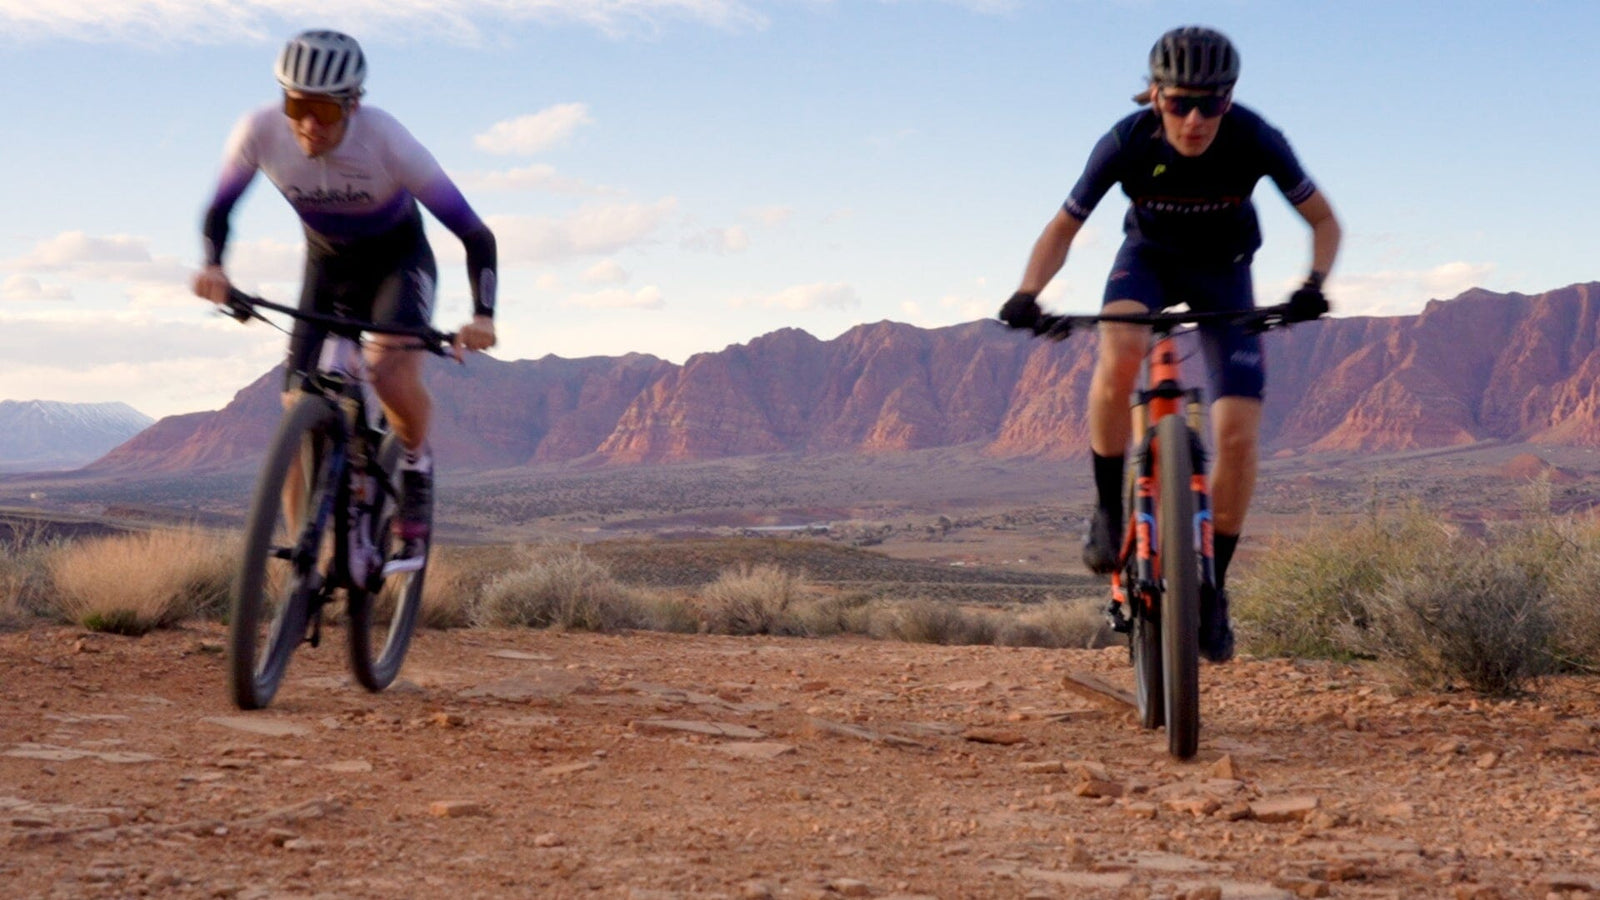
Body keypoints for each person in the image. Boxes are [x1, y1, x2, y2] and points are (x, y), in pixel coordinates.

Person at [998, 25, 1341, 662]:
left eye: (1211, 103)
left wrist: (1312, 284)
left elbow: (1323, 219)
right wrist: (1028, 291)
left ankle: (1212, 589)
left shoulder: (1255, 138)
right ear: (1155, 96)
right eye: (1181, 102)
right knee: (1119, 348)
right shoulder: (1125, 142)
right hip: (1148, 261)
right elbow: (1063, 227)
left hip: (1225, 271)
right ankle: (1107, 511)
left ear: (1229, 100)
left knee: (1236, 433)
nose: (1195, 119)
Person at [192, 29, 498, 557]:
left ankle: (414, 461)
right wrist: (214, 266)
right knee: (296, 404)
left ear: (354, 104)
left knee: (387, 372)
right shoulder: (260, 131)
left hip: (397, 265)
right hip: (326, 269)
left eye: (327, 110)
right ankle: (302, 562)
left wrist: (483, 315)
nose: (310, 123)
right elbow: (220, 209)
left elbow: (475, 235)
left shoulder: (389, 142)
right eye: (298, 104)